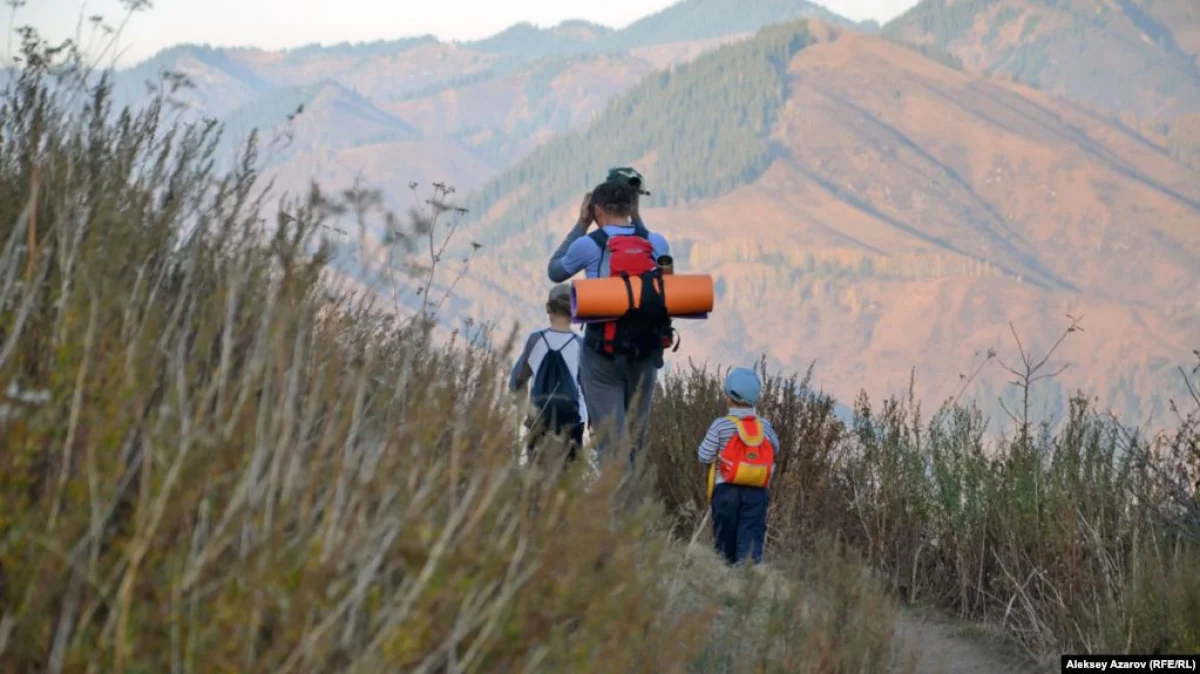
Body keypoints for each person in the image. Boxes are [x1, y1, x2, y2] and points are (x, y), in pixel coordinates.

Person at [546, 171, 671, 466]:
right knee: (635, 440)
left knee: (611, 444)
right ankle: (636, 506)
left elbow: (555, 271)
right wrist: (636, 218)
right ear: (631, 207)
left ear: (596, 210)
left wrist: (581, 224)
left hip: (601, 352)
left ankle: (617, 509)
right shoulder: (657, 242)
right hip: (646, 352)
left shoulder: (589, 244)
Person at [698, 368, 780, 566]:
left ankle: (725, 586)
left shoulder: (720, 425)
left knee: (724, 548)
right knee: (750, 546)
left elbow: (704, 455)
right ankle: (748, 585)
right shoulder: (765, 426)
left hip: (725, 492)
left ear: (728, 397)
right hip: (757, 493)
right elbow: (775, 449)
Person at [509, 284, 587, 464]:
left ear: (549, 309)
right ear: (574, 312)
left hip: (539, 420)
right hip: (571, 423)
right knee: (568, 477)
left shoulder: (535, 340)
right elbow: (588, 388)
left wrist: (521, 408)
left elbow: (518, 379)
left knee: (536, 474)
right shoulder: (580, 345)